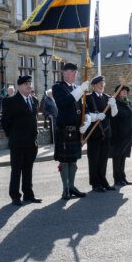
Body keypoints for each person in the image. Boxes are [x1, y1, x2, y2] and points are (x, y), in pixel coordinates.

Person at [2, 75, 42, 206]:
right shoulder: (11, 101)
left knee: (28, 169)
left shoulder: (34, 100)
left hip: (31, 142)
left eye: (30, 83)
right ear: (19, 86)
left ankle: (28, 194)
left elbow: (34, 120)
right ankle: (15, 196)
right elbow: (5, 123)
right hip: (18, 142)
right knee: (16, 170)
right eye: (26, 84)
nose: (29, 86)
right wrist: (13, 136)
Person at [52, 63, 88, 200]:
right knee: (64, 161)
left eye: (76, 73)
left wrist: (86, 121)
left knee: (73, 160)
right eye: (73, 72)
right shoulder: (58, 87)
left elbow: (83, 108)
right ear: (64, 73)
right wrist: (80, 90)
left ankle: (72, 186)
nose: (75, 75)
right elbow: (64, 102)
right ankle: (65, 189)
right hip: (64, 129)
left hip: (76, 130)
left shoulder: (76, 88)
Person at [81, 75, 118, 192]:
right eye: (99, 84)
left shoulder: (107, 97)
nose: (102, 86)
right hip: (94, 134)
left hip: (106, 133)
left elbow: (114, 115)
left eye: (103, 84)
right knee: (94, 159)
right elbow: (84, 115)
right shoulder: (87, 97)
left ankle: (103, 180)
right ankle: (95, 183)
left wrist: (114, 105)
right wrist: (96, 116)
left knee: (103, 159)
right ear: (94, 86)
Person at [109, 85, 132, 186]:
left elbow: (131, 119)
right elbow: (113, 119)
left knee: (123, 157)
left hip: (127, 135)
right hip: (118, 135)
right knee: (117, 157)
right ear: (117, 92)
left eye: (126, 91)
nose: (125, 92)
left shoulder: (128, 103)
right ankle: (117, 178)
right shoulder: (115, 103)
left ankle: (122, 177)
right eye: (122, 91)